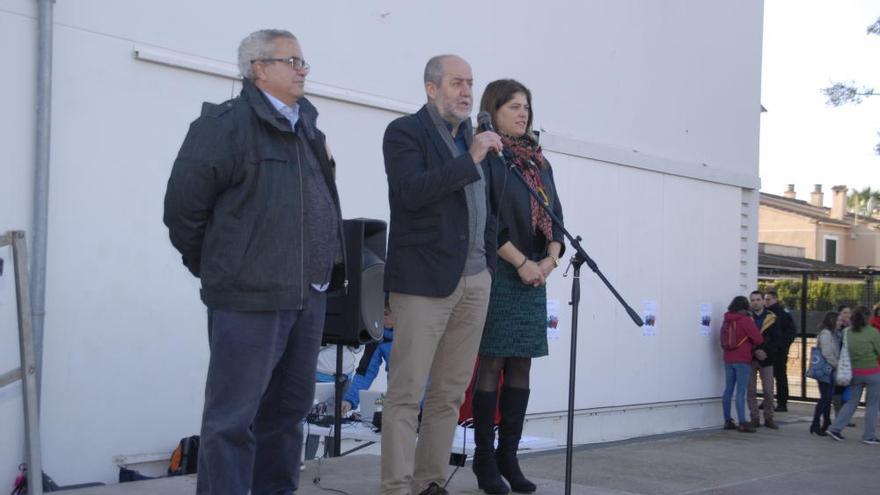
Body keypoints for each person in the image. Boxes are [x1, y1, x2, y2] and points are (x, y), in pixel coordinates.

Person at [163, 29, 345, 494]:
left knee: (286, 417)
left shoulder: (308, 127)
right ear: (259, 68)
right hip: (248, 297)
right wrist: (220, 267)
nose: (303, 70)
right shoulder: (225, 126)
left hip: (307, 295)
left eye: (305, 62)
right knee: (232, 421)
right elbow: (183, 210)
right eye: (293, 61)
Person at [380, 54, 500, 495]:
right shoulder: (405, 133)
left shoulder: (474, 136)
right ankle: (394, 487)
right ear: (431, 89)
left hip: (474, 280)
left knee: (449, 394)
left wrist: (486, 264)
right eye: (456, 83)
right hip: (423, 283)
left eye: (470, 83)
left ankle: (428, 481)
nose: (467, 91)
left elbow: (486, 208)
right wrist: (470, 156)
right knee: (406, 394)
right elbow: (412, 193)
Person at [469, 78, 564, 495]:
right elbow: (487, 220)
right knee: (491, 364)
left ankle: (510, 454)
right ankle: (484, 458)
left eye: (526, 107)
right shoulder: (488, 156)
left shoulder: (539, 163)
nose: (523, 113)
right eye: (513, 107)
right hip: (501, 270)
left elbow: (557, 217)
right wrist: (523, 263)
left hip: (535, 273)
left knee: (521, 364)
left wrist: (548, 260)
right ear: (494, 110)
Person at [826, 306, 880, 444]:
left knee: (851, 402)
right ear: (868, 317)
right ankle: (869, 435)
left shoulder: (847, 332)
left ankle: (835, 428)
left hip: (854, 372)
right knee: (872, 405)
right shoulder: (873, 332)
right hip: (873, 372)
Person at [341, 302, 395, 415]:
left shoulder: (419, 333)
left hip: (426, 402)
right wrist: (349, 400)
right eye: (380, 313)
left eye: (386, 313)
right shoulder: (378, 335)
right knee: (379, 403)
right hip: (396, 400)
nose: (382, 318)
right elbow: (365, 372)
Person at [720, 296, 764, 433]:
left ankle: (727, 420)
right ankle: (742, 422)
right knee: (740, 392)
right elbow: (758, 338)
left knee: (728, 390)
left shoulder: (726, 320)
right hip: (743, 359)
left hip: (728, 358)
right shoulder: (745, 320)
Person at [748, 291, 782, 429]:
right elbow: (744, 339)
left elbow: (776, 339)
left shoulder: (772, 318)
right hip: (750, 358)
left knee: (768, 390)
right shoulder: (746, 318)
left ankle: (769, 417)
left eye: (758, 299)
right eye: (753, 300)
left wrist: (765, 352)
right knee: (750, 390)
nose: (755, 302)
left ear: (763, 301)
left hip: (767, 359)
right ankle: (754, 418)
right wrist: (755, 351)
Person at [765, 291, 797, 412]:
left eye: (768, 299)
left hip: (778, 351)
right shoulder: (767, 312)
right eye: (765, 299)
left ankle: (782, 403)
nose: (766, 302)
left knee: (779, 376)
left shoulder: (782, 313)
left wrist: (782, 346)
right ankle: (768, 400)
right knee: (768, 377)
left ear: (775, 299)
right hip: (769, 349)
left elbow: (791, 332)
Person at [809, 311, 840, 436]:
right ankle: (815, 424)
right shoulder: (826, 334)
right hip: (825, 369)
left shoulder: (834, 333)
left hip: (829, 369)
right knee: (825, 398)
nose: (840, 323)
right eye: (838, 320)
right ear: (832, 321)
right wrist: (836, 364)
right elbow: (827, 352)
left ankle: (826, 422)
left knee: (827, 398)